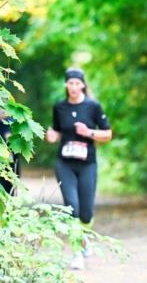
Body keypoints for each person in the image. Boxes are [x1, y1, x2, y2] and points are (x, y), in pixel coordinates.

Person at [45, 67, 112, 270]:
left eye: (77, 83)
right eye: (70, 83)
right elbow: (56, 131)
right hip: (64, 163)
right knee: (71, 208)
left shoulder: (93, 106)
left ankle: (84, 240)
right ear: (66, 85)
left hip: (87, 164)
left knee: (86, 214)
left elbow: (108, 134)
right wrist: (51, 136)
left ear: (83, 85)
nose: (73, 87)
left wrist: (89, 132)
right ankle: (76, 254)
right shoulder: (60, 107)